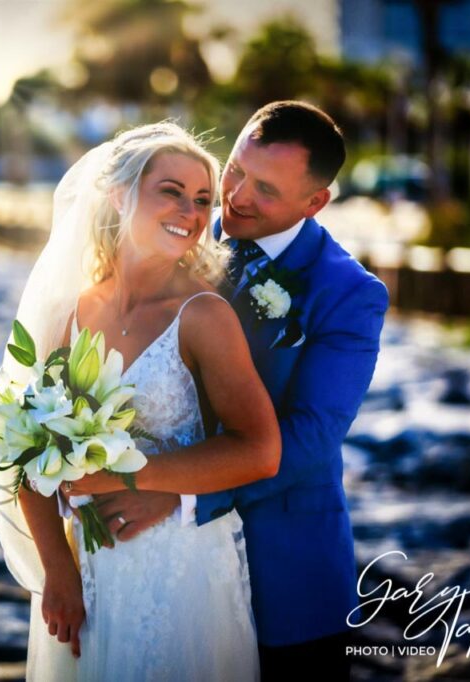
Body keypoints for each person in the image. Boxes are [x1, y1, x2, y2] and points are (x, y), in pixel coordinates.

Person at [83, 101, 390, 680]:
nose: (237, 196)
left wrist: (182, 494)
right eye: (236, 170)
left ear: (315, 202)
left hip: (287, 572)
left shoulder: (349, 292)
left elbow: (310, 436)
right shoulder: (184, 233)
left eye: (266, 189)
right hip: (170, 575)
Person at [0, 121, 281, 681]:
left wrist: (130, 478)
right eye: (171, 191)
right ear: (119, 194)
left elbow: (260, 451)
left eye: (203, 199)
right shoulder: (76, 309)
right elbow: (27, 444)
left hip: (181, 575)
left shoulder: (204, 315)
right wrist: (57, 572)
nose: (190, 210)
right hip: (87, 572)